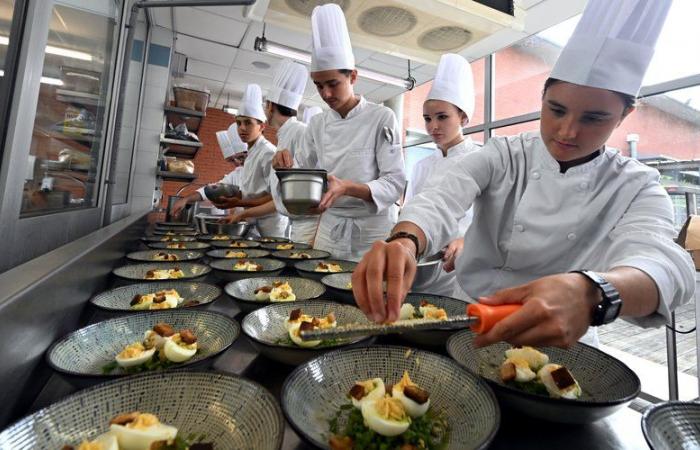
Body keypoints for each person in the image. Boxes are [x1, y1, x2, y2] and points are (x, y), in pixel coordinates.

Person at [352, 0, 695, 349]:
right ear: (542, 97)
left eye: (594, 119)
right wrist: (405, 242)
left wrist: (594, 291)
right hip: (469, 316)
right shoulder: (504, 154)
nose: (568, 131)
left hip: (561, 337)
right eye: (556, 110)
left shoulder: (636, 185)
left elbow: (666, 267)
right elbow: (441, 197)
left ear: (624, 116)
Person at [272, 4, 405, 261]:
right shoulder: (317, 124)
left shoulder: (381, 117)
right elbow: (305, 172)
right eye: (319, 86)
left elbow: (394, 183)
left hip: (371, 231)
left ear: (353, 76)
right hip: (330, 227)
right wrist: (285, 167)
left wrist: (347, 188)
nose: (326, 94)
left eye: (333, 84)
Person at [404, 53, 479, 297]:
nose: (433, 126)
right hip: (426, 263)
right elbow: (414, 210)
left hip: (462, 266)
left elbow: (493, 218)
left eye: (442, 117)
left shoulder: (482, 160)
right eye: (427, 118)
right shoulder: (422, 166)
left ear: (464, 117)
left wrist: (466, 241)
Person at [225, 60, 319, 244]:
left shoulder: (299, 133)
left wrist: (243, 209)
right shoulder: (285, 135)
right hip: (298, 225)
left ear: (269, 106)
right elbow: (281, 198)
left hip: (307, 227)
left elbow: (294, 197)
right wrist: (244, 212)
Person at [216, 84, 288, 238]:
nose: (242, 128)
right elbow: (252, 191)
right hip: (254, 222)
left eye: (248, 123)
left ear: (261, 126)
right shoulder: (252, 154)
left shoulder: (268, 153)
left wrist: (240, 203)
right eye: (239, 123)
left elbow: (276, 198)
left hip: (271, 226)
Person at [170, 123, 248, 216]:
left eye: (241, 158)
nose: (236, 163)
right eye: (231, 160)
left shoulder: (264, 166)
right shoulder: (237, 174)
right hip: (245, 224)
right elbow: (213, 188)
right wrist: (186, 199)